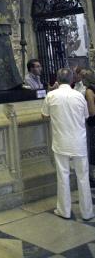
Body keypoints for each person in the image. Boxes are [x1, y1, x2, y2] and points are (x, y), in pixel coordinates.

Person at [41, 67, 94, 221]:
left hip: (61, 141)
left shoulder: (51, 96)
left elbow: (44, 115)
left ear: (57, 80)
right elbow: (86, 115)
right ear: (72, 80)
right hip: (78, 141)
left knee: (63, 175)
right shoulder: (78, 96)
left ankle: (64, 210)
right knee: (83, 176)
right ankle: (87, 212)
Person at [81, 69, 95, 184]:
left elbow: (92, 111)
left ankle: (92, 175)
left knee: (92, 147)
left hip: (93, 123)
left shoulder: (89, 91)